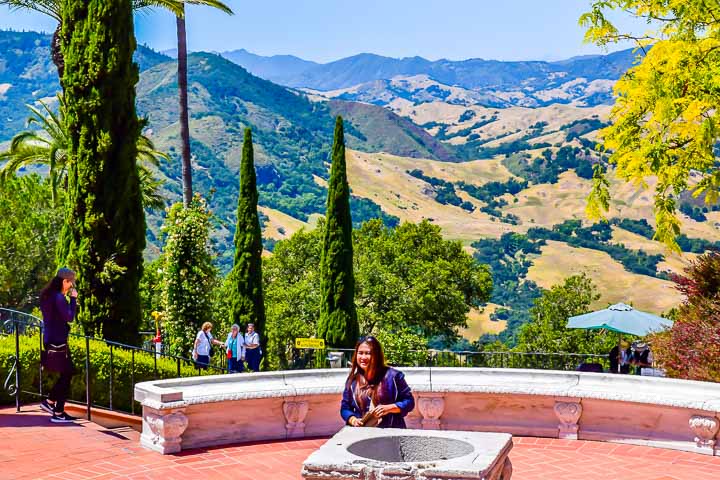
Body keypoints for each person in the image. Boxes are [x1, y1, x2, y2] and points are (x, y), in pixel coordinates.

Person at [340, 336, 415, 428]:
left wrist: (389, 408)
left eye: (368, 353)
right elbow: (345, 408)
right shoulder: (353, 381)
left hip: (391, 432)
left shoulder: (394, 376)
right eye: (360, 353)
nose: (363, 357)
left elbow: (409, 402)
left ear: (377, 355)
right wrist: (353, 419)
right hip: (363, 434)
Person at [39, 267, 78, 423]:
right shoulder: (59, 298)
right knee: (68, 373)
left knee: (66, 373)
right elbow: (69, 317)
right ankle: (59, 413)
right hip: (58, 341)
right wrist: (73, 299)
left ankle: (49, 402)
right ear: (64, 281)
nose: (71, 287)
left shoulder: (47, 295)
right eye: (70, 283)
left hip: (49, 339)